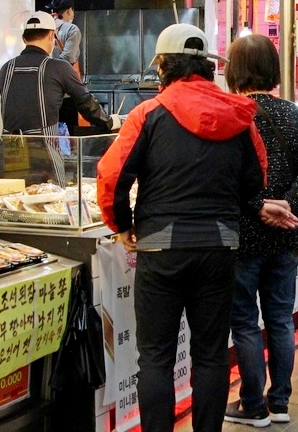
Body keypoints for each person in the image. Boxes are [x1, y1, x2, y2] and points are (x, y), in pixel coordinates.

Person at [97, 23, 267, 432]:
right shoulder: (239, 116)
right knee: (210, 355)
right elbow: (256, 180)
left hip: (160, 250)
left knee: (155, 356)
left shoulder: (147, 114)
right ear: (208, 67)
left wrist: (121, 224)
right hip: (219, 248)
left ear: (163, 67)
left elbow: (111, 175)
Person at [222, 34, 298, 427]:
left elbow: (226, 176)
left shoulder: (231, 114)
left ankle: (252, 405)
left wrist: (260, 207)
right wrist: (287, 204)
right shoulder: (297, 115)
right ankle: (279, 404)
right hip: (287, 233)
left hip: (242, 233)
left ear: (234, 70)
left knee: (243, 322)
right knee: (279, 318)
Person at [0, 11, 116, 186]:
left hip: (7, 153)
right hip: (42, 156)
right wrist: (109, 123)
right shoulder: (58, 67)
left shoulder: (6, 68)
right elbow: (85, 102)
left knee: (6, 205)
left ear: (23, 38)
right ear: (52, 35)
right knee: (49, 205)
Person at [47, 0, 82, 72]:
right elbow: (68, 59)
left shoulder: (46, 27)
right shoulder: (72, 29)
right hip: (62, 78)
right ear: (69, 10)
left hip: (45, 76)